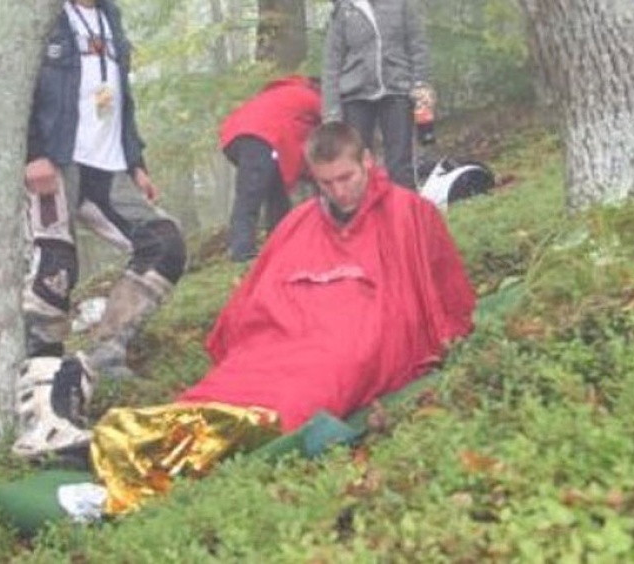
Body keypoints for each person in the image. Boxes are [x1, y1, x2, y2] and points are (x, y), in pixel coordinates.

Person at [89, 123, 476, 513]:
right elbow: (258, 293)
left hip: (359, 329)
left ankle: (228, 440)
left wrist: (446, 334)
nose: (340, 191)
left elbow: (444, 285)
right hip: (290, 329)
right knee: (247, 365)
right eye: (327, 183)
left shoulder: (409, 212)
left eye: (347, 177)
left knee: (331, 370)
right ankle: (170, 431)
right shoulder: (300, 221)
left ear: (368, 162)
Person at [13, 0, 187, 458]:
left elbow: (120, 97)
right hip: (56, 160)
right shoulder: (44, 14)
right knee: (54, 272)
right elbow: (19, 89)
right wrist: (33, 152)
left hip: (107, 168)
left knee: (165, 243)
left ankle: (105, 353)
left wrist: (137, 161)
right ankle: (43, 419)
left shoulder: (110, 16)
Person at [321, 0, 435, 190]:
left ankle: (405, 214)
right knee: (356, 162)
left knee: (400, 163)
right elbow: (332, 65)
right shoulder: (344, 10)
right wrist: (332, 113)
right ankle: (363, 215)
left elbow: (417, 46)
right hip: (355, 96)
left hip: (397, 89)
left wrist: (421, 84)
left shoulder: (402, 5)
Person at [219, 75, 321, 262]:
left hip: (238, 138)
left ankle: (279, 244)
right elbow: (332, 130)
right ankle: (241, 250)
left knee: (276, 191)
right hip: (259, 138)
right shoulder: (309, 97)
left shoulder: (279, 94)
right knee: (251, 195)